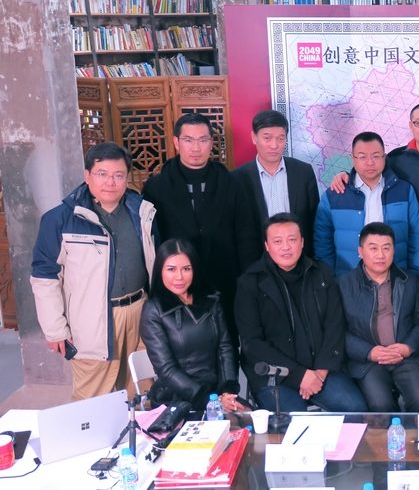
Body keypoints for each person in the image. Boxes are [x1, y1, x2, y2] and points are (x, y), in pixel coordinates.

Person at [31, 142, 157, 400]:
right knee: (93, 400)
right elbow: (45, 277)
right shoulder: (60, 219)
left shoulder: (142, 212)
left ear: (127, 177)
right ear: (87, 175)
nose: (110, 182)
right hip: (91, 320)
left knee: (142, 391)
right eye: (102, 174)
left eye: (118, 175)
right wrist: (55, 329)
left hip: (139, 311)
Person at [235, 213, 367, 412]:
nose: (286, 247)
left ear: (302, 242)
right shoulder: (250, 282)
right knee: (292, 421)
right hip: (275, 375)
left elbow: (335, 325)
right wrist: (299, 375)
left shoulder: (321, 273)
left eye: (292, 240)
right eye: (277, 241)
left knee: (356, 408)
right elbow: (252, 343)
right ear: (267, 246)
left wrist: (320, 372)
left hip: (321, 369)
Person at [142, 113, 255, 341]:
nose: (196, 148)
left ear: (211, 143)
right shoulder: (156, 187)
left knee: (226, 345)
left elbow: (246, 236)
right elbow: (151, 241)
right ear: (176, 142)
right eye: (188, 140)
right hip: (176, 285)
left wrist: (248, 283)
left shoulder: (232, 183)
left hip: (225, 282)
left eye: (203, 140)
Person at [329, 102, 419, 270]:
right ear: (410, 125)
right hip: (410, 250)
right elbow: (369, 172)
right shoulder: (395, 159)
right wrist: (345, 174)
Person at [139, 239, 247, 413]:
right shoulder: (153, 310)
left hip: (218, 394)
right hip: (178, 399)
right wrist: (209, 400)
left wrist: (227, 391)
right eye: (171, 269)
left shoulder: (211, 301)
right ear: (160, 271)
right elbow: (166, 370)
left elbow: (225, 348)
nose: (179, 277)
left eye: (186, 269)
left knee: (254, 422)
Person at [337, 223, 419, 412]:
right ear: (360, 252)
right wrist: (369, 352)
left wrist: (408, 347)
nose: (380, 255)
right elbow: (338, 331)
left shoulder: (410, 281)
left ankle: (416, 434)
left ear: (394, 251)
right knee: (380, 406)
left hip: (406, 357)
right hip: (368, 361)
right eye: (373, 248)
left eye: (386, 248)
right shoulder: (343, 284)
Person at [314, 131, 419, 278]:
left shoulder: (404, 190)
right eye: (362, 157)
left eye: (375, 156)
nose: (370, 162)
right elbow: (323, 242)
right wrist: (328, 279)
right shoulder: (335, 195)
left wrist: (416, 275)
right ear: (352, 159)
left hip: (396, 278)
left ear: (384, 157)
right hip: (348, 279)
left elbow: (416, 236)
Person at [232, 109, 320, 268]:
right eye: (267, 138)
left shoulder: (303, 172)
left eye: (280, 138)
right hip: (256, 265)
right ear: (254, 137)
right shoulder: (238, 178)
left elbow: (315, 220)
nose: (274, 145)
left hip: (300, 263)